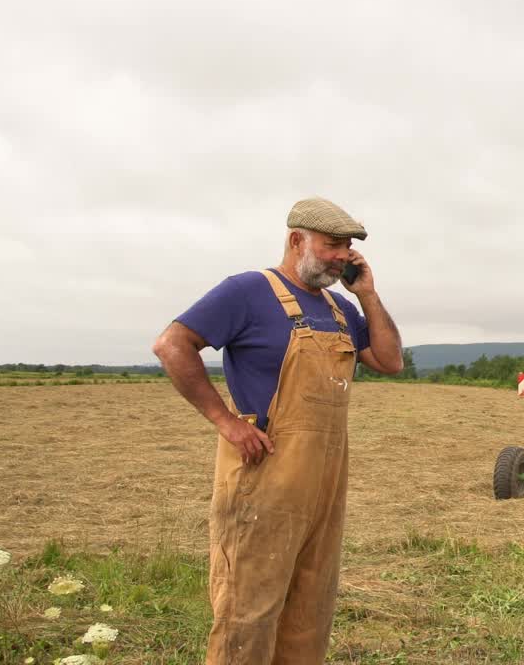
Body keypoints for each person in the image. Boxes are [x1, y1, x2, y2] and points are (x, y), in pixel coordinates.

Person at [152, 197, 403, 664]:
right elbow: (172, 345)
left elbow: (390, 361)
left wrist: (367, 293)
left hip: (324, 485)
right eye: (333, 245)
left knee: (310, 608)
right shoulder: (248, 290)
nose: (343, 255)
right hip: (263, 477)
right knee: (248, 609)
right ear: (296, 240)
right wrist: (224, 421)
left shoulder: (340, 307)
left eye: (348, 246)